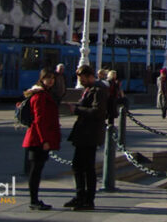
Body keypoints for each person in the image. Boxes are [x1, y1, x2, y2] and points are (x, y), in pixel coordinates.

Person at [65, 65, 108, 210]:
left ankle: (88, 200)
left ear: (90, 76)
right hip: (83, 133)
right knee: (78, 166)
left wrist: (77, 109)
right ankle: (80, 195)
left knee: (87, 167)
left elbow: (98, 112)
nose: (81, 82)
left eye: (82, 79)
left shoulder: (99, 90)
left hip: (90, 134)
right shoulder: (90, 89)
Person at [22, 68, 61, 211]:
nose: (51, 80)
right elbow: (39, 120)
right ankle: (34, 200)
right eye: (47, 77)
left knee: (37, 169)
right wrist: (44, 140)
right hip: (37, 139)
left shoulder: (45, 94)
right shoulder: (40, 96)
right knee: (35, 170)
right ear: (42, 79)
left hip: (39, 138)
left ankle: (35, 199)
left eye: (52, 78)